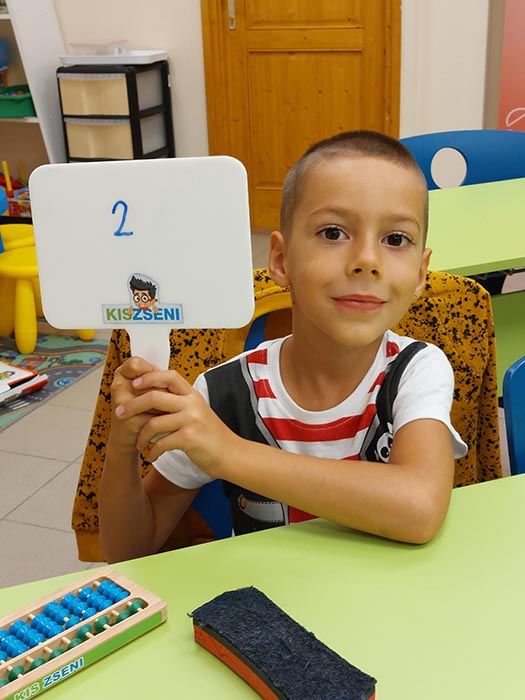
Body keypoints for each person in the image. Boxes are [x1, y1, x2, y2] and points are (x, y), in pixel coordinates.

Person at [99, 130, 467, 563]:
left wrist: (228, 453)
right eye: (333, 232)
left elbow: (419, 508)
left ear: (421, 273)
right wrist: (122, 445)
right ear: (280, 259)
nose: (367, 261)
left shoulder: (417, 370)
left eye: (396, 239)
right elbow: (128, 550)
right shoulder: (224, 393)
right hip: (265, 602)